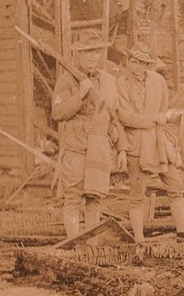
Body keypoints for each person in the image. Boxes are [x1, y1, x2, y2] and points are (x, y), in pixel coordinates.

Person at [116, 42, 184, 244]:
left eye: (143, 63)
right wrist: (155, 119)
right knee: (137, 194)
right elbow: (125, 117)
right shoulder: (121, 83)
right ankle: (139, 239)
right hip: (137, 144)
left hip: (159, 141)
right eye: (135, 62)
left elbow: (165, 110)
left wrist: (161, 122)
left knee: (176, 186)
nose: (138, 66)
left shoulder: (158, 81)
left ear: (149, 64)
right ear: (129, 61)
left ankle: (182, 232)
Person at [51, 29, 127, 239]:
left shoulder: (107, 81)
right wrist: (81, 94)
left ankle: (90, 244)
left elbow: (114, 116)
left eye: (97, 52)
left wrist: (121, 148)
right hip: (76, 150)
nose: (93, 56)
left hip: (100, 149)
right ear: (79, 54)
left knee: (95, 199)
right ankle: (75, 243)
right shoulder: (66, 80)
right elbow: (58, 112)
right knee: (73, 198)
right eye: (88, 52)